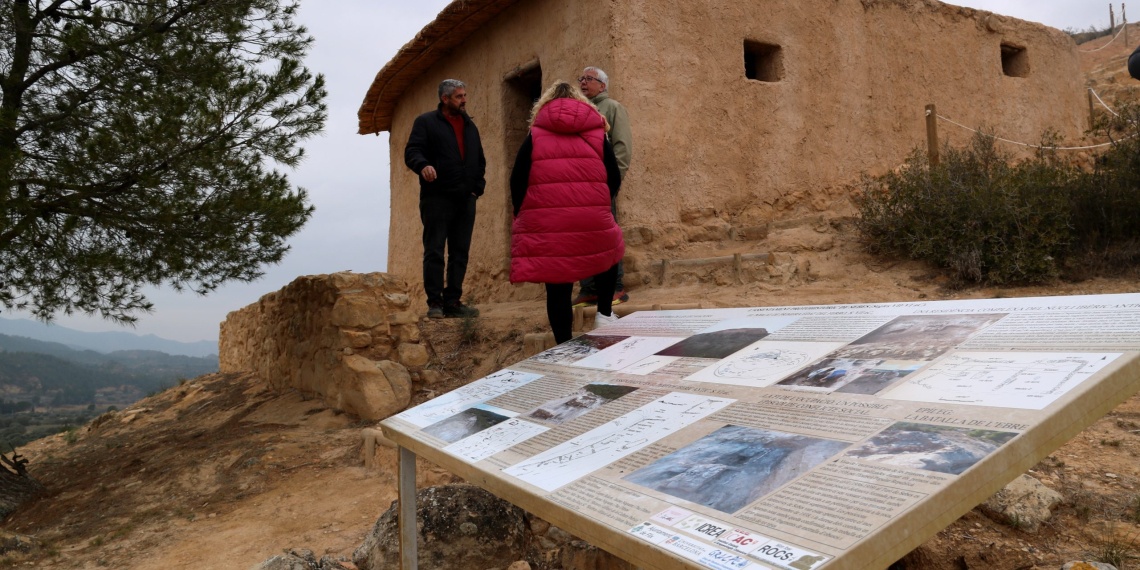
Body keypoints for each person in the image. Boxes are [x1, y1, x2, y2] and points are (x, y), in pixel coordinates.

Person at [509, 81, 625, 343]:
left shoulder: (535, 135)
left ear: (545, 105)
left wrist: (523, 212)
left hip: (549, 221)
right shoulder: (597, 132)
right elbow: (614, 175)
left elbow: (517, 179)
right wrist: (600, 202)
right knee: (607, 256)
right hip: (591, 215)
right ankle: (604, 314)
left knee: (557, 279)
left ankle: (564, 344)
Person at [404, 79, 485, 319]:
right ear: (445, 98)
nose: (464, 100)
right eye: (459, 96)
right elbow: (412, 151)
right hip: (436, 197)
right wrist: (423, 165)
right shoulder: (426, 122)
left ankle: (453, 302)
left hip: (465, 198)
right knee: (435, 251)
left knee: (460, 252)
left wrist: (476, 189)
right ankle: (435, 303)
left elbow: (480, 160)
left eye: (464, 95)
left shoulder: (469, 126)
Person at [574, 66, 633, 308]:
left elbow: (622, 148)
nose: (583, 82)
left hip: (602, 186)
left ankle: (615, 287)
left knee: (607, 236)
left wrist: (612, 183)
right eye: (582, 78)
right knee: (581, 238)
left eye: (589, 79)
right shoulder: (578, 110)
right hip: (579, 188)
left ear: (603, 85)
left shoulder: (613, 108)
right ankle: (589, 289)